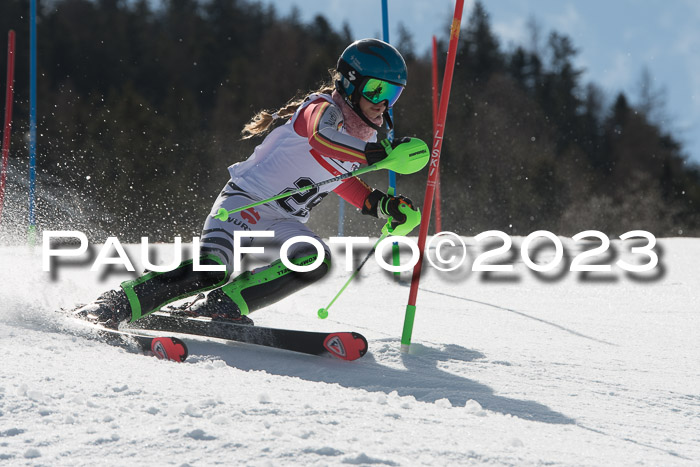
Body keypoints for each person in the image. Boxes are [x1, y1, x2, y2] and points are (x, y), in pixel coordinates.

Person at [74, 38, 423, 328]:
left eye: (392, 96)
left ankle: (219, 305)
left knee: (314, 260)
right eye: (376, 90)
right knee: (212, 268)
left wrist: (381, 205)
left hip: (282, 223)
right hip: (243, 206)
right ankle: (115, 304)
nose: (382, 104)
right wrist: (380, 153)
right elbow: (320, 140)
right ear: (349, 83)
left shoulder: (357, 141)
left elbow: (340, 178)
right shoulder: (320, 109)